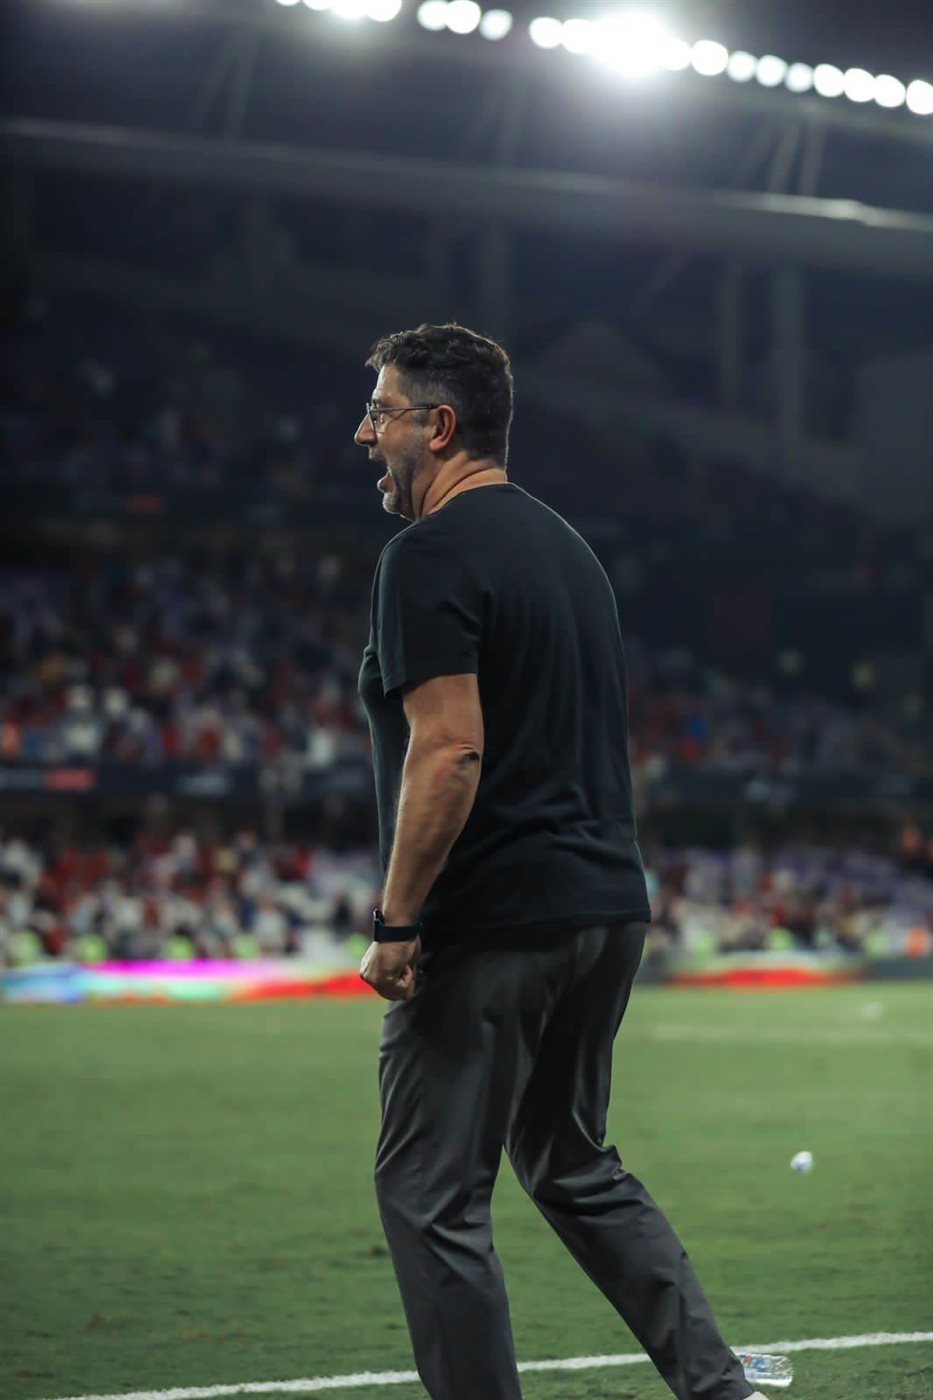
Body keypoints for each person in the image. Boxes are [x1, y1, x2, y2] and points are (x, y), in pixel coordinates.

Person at [354, 323, 761, 1400]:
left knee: (431, 1191)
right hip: (605, 907)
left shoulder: (424, 556)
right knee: (573, 1162)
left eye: (381, 413)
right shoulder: (571, 553)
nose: (364, 434)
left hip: (496, 920)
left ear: (439, 426)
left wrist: (397, 921)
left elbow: (450, 749)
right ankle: (718, 1388)